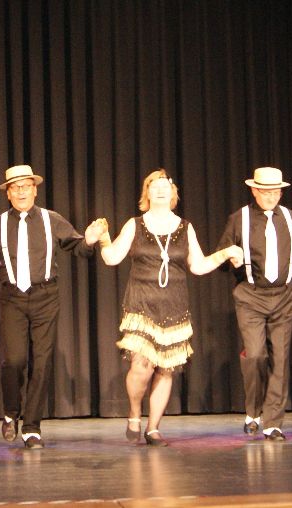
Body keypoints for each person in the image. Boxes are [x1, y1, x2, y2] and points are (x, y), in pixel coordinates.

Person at [0, 165, 106, 449]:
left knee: (41, 364)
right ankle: (11, 411)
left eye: (25, 186)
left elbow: (78, 248)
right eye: (14, 187)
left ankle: (32, 428)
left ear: (35, 189)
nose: (20, 192)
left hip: (46, 296)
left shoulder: (51, 219)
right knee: (15, 361)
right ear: (8, 193)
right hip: (13, 299)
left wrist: (90, 240)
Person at [98, 169, 244, 446]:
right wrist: (103, 237)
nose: (160, 190)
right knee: (142, 367)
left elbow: (198, 266)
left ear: (174, 193)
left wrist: (226, 253)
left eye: (165, 186)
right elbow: (112, 257)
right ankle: (134, 412)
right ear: (147, 193)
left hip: (174, 308)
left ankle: (153, 428)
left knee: (165, 370)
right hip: (141, 306)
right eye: (154, 187)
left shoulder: (185, 227)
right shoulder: (135, 225)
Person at [214, 167, 292, 441]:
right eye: (265, 192)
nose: (271, 197)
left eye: (276, 192)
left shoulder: (291, 218)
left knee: (279, 359)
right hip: (250, 295)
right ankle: (253, 411)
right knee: (256, 355)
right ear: (254, 190)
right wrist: (230, 258)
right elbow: (222, 258)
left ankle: (273, 423)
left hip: (283, 296)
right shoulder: (239, 219)